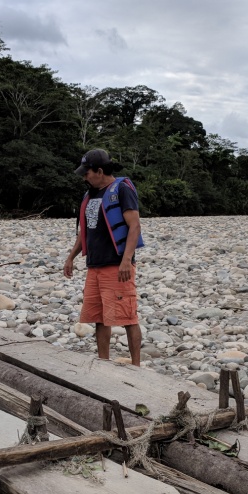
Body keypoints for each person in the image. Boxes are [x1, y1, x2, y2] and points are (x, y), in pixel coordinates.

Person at [63, 149, 143, 365]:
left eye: (87, 173)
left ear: (99, 171)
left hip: (117, 265)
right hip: (95, 266)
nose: (84, 177)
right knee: (99, 317)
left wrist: (126, 260)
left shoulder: (122, 189)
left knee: (128, 317)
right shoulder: (90, 195)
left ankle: (137, 366)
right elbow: (85, 231)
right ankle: (103, 363)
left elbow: (134, 226)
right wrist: (71, 257)